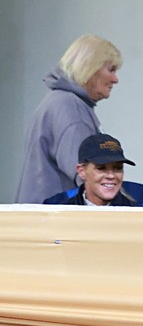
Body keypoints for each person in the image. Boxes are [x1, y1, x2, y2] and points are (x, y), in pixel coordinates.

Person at [15, 35, 122, 204]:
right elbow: (91, 181)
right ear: (90, 68)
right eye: (111, 70)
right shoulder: (72, 110)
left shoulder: (57, 101)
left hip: (40, 218)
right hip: (55, 222)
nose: (115, 79)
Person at [66, 134, 140, 206]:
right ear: (81, 171)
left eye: (118, 168)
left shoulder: (139, 215)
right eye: (101, 168)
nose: (111, 176)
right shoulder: (61, 213)